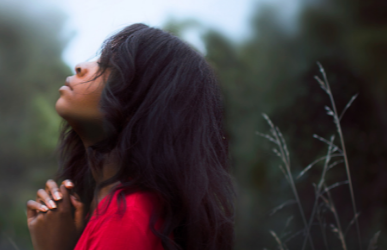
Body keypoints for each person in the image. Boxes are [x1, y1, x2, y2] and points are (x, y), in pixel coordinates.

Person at [25, 23, 235, 250]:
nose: (80, 67)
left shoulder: (127, 220)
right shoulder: (114, 211)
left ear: (143, 106)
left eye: (108, 66)